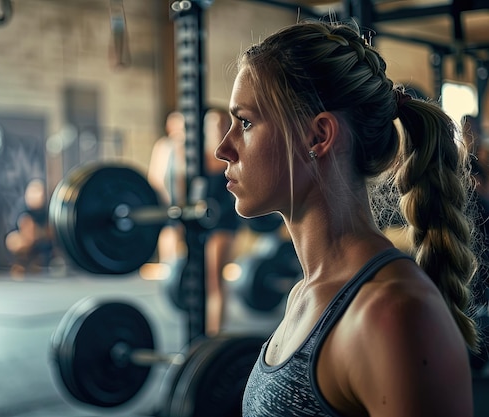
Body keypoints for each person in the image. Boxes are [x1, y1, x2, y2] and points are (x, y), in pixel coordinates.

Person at [214, 20, 480, 416]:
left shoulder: (392, 314)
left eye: (246, 122)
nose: (223, 148)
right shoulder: (303, 295)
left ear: (318, 136)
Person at [203, 107, 240, 336]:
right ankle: (208, 331)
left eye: (220, 124)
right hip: (202, 226)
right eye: (212, 124)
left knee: (215, 281)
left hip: (224, 225)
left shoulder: (230, 155)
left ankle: (214, 335)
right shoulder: (197, 157)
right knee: (206, 282)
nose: (217, 129)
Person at [147, 110, 187, 264]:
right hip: (167, 197)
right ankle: (168, 266)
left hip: (182, 197)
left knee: (181, 232)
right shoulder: (164, 146)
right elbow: (157, 175)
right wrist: (162, 198)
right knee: (169, 230)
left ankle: (179, 266)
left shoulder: (186, 147)